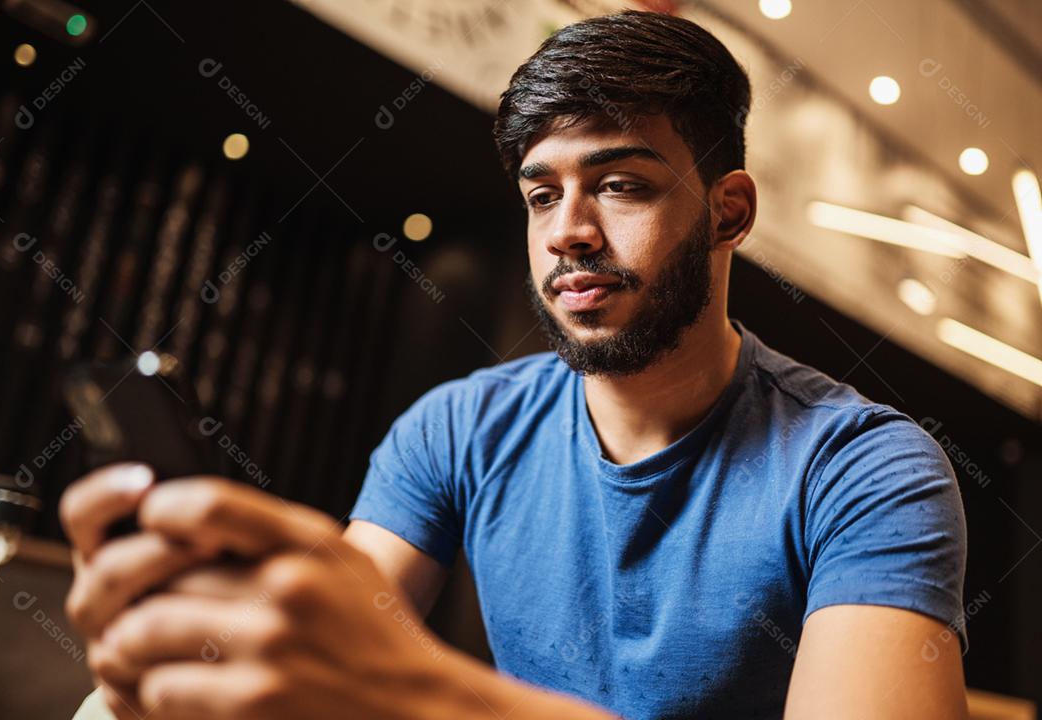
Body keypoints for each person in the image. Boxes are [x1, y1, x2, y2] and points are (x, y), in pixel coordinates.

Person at [63, 11, 968, 720]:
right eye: (543, 194)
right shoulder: (461, 427)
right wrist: (203, 661)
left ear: (729, 213)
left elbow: (381, 684)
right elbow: (329, 651)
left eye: (621, 184)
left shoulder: (864, 469)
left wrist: (416, 696)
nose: (569, 231)